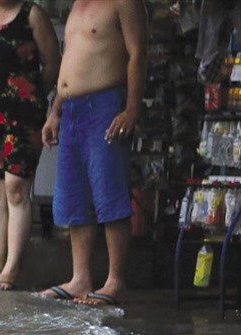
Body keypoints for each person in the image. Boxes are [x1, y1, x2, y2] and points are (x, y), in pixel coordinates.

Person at [39, 0, 148, 306]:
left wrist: (132, 109)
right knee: (74, 195)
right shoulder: (78, 5)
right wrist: (55, 111)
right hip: (71, 109)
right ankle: (80, 278)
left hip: (105, 105)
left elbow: (137, 54)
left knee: (109, 192)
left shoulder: (124, 2)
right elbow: (70, 60)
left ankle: (115, 281)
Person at [0, 0, 61, 291]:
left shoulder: (32, 14)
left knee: (16, 189)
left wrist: (32, 95)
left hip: (25, 115)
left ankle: (12, 267)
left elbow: (54, 64)